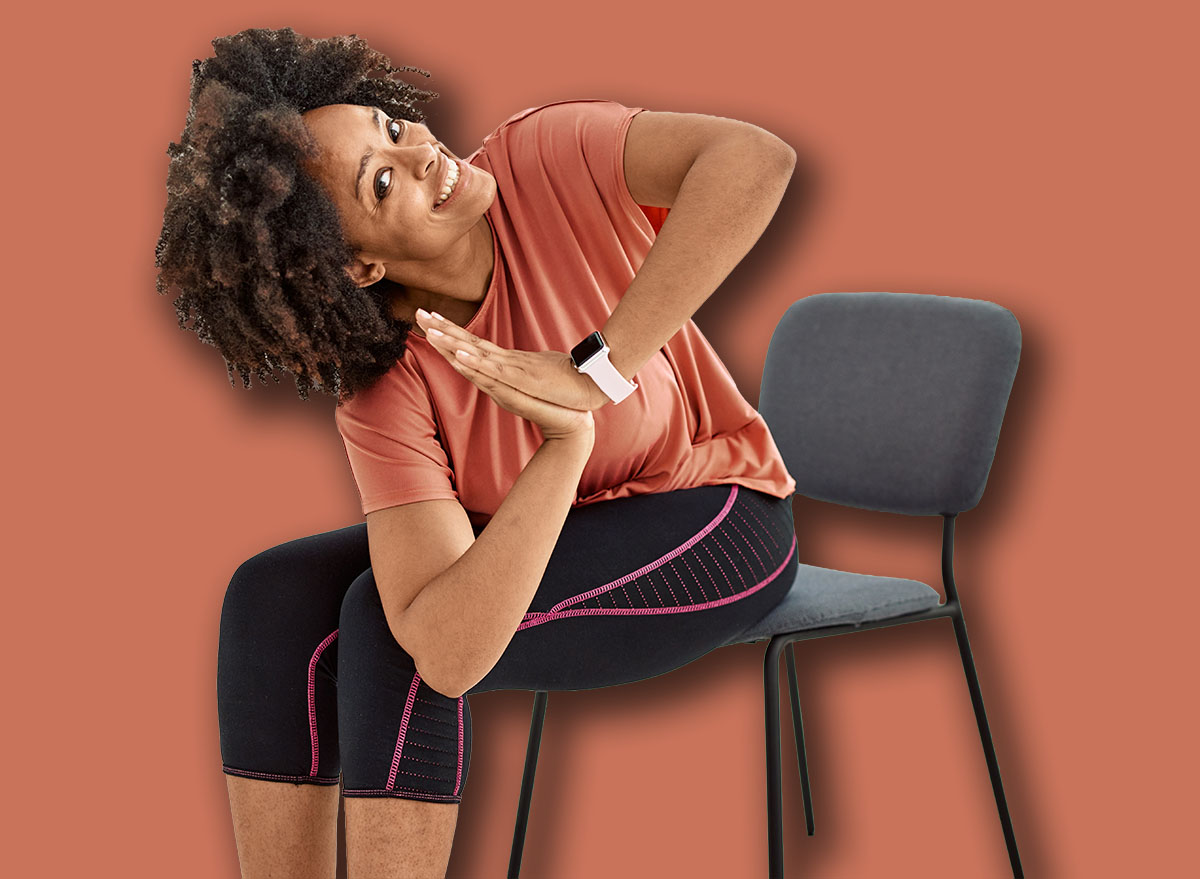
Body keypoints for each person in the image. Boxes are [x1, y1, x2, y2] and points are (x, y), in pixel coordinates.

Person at [155, 26, 800, 879]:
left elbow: (755, 159)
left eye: (389, 125)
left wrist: (592, 378)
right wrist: (562, 448)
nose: (421, 152)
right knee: (273, 597)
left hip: (718, 514)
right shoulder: (388, 383)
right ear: (360, 268)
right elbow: (451, 636)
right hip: (566, 520)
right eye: (382, 183)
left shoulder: (548, 157)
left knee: (390, 641)